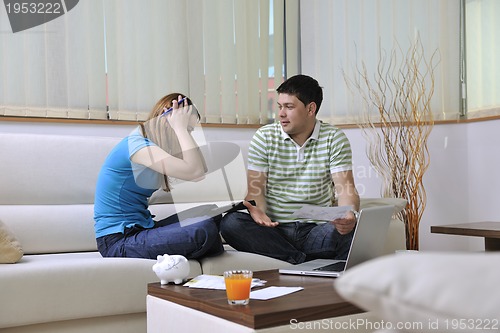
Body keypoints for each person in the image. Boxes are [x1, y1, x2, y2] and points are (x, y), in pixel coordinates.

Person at [220, 75, 360, 264]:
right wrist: (258, 210)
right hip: (275, 230)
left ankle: (295, 260)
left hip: (316, 231)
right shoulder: (265, 137)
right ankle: (300, 261)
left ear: (311, 108)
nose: (281, 114)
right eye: (280, 106)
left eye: (289, 107)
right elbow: (256, 189)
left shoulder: (334, 138)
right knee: (231, 223)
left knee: (355, 229)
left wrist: (348, 214)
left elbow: (346, 189)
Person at [94, 93, 224, 259]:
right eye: (188, 129)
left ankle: (194, 249)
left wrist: (184, 131)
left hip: (144, 229)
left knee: (211, 213)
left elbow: (201, 170)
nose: (188, 135)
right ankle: (198, 248)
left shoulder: (159, 150)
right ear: (166, 120)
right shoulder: (137, 145)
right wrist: (180, 128)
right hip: (118, 241)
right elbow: (194, 172)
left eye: (190, 131)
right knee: (203, 229)